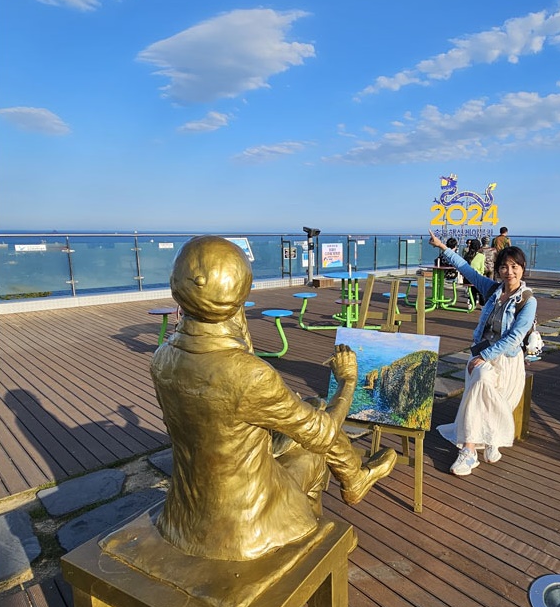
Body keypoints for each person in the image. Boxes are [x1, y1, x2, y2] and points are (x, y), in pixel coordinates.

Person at [150, 235, 397, 561]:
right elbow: (321, 434)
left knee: (310, 406)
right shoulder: (250, 375)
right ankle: (321, 531)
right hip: (245, 525)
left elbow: (233, 365)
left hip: (185, 517)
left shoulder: (163, 358)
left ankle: (354, 478)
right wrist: (348, 381)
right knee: (315, 443)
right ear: (241, 292)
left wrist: (232, 312)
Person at [428, 230, 536, 476]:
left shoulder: (528, 301)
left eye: (515, 266)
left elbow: (515, 337)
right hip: (483, 355)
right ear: (498, 270)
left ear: (522, 269)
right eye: (505, 267)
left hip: (506, 361)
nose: (509, 271)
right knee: (480, 380)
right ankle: (469, 450)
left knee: (480, 383)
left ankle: (491, 438)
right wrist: (442, 247)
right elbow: (467, 270)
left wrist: (484, 356)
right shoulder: (493, 291)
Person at [463, 238, 486, 305]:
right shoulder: (481, 256)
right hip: (477, 278)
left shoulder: (466, 255)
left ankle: (471, 303)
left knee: (472, 290)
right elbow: (482, 270)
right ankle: (482, 304)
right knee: (481, 289)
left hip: (467, 279)